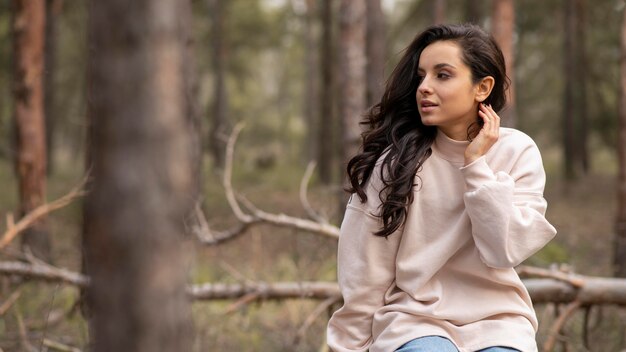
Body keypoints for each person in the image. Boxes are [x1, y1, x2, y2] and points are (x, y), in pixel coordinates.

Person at [326, 23, 557, 352]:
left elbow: (503, 250)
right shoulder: (395, 163)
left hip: (500, 323)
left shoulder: (517, 152)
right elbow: (365, 269)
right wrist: (349, 346)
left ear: (482, 87)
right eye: (421, 76)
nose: (424, 87)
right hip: (413, 321)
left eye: (442, 75)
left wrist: (475, 165)